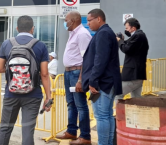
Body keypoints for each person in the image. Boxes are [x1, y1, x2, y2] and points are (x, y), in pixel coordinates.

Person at [0, 16, 52, 145]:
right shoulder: (40, 45)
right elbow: (44, 73)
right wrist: (48, 97)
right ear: (33, 29)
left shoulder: (6, 43)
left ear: (17, 28)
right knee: (27, 131)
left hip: (11, 93)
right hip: (33, 94)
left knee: (5, 128)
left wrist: (13, 70)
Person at [82, 9, 122, 145]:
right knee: (107, 115)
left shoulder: (103, 33)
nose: (88, 24)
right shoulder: (106, 32)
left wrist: (93, 80)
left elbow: (100, 59)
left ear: (98, 19)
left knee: (102, 116)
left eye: (89, 20)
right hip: (108, 81)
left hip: (103, 82)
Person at [56, 11, 92, 145]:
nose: (65, 23)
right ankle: (71, 131)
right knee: (71, 104)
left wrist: (81, 80)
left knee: (81, 105)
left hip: (77, 74)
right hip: (69, 73)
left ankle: (85, 137)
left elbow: (86, 59)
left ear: (74, 20)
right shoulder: (73, 34)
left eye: (67, 20)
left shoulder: (82, 34)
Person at [115, 18, 149, 100]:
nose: (126, 30)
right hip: (137, 74)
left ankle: (120, 113)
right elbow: (130, 45)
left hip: (132, 74)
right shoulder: (139, 36)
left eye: (127, 28)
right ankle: (135, 112)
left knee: (118, 94)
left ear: (133, 28)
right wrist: (123, 40)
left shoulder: (138, 36)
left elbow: (126, 49)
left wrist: (120, 41)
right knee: (136, 99)